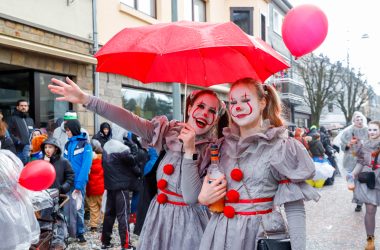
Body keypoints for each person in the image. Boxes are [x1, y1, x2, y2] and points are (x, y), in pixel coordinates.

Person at [48, 77, 228, 250]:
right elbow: (128, 119)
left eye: (212, 111)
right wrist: (86, 99)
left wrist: (190, 151)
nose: (205, 113)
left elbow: (191, 197)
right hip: (159, 219)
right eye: (201, 106)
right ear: (190, 109)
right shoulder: (166, 132)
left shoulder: (213, 151)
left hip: (189, 225)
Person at [181, 77, 320, 250]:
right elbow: (190, 197)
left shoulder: (282, 147)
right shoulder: (220, 147)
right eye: (232, 102)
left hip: (258, 237)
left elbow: (294, 209)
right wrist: (189, 153)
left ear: (262, 103)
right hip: (220, 237)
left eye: (245, 100)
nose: (237, 106)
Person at [101, 139, 141, 250]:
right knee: (123, 216)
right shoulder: (122, 152)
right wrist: (133, 148)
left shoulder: (106, 150)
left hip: (110, 187)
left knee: (109, 215)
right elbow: (133, 161)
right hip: (121, 188)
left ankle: (105, 242)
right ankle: (126, 244)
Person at [39, 137, 75, 249]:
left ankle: (59, 242)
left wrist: (63, 188)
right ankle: (45, 241)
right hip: (44, 195)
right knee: (45, 218)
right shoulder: (42, 162)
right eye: (45, 147)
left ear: (55, 148)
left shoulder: (63, 162)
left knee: (59, 218)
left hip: (59, 195)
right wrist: (44, 165)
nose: (47, 150)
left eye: (50, 147)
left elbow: (70, 177)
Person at [63, 119, 93, 244]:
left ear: (74, 129)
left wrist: (79, 185)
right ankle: (70, 233)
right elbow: (64, 163)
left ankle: (80, 233)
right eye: (66, 130)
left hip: (78, 182)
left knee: (78, 208)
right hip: (67, 182)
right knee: (67, 209)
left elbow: (86, 167)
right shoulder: (67, 144)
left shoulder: (85, 145)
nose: (67, 133)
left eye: (68, 130)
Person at [351, 121, 380, 250]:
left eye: (375, 130)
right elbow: (360, 162)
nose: (372, 132)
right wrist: (353, 173)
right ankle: (370, 241)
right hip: (369, 179)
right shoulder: (363, 146)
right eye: (370, 130)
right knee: (370, 210)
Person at [341, 111, 368, 212]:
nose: (360, 121)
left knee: (363, 181)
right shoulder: (348, 131)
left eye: (361, 119)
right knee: (354, 182)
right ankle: (358, 202)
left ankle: (362, 200)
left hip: (364, 160)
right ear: (353, 120)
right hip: (351, 160)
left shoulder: (368, 130)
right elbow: (343, 146)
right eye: (357, 119)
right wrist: (348, 144)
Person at [6, 99, 34, 164]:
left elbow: (33, 133)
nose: (23, 107)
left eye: (25, 106)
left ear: (28, 107)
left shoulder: (30, 120)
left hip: (30, 151)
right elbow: (8, 133)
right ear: (17, 107)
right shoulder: (12, 118)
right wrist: (18, 142)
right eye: (21, 106)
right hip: (18, 150)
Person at [86, 139, 105, 232]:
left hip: (90, 188)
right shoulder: (103, 158)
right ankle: (105, 224)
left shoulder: (87, 159)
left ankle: (93, 225)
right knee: (103, 207)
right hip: (101, 188)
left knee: (93, 207)